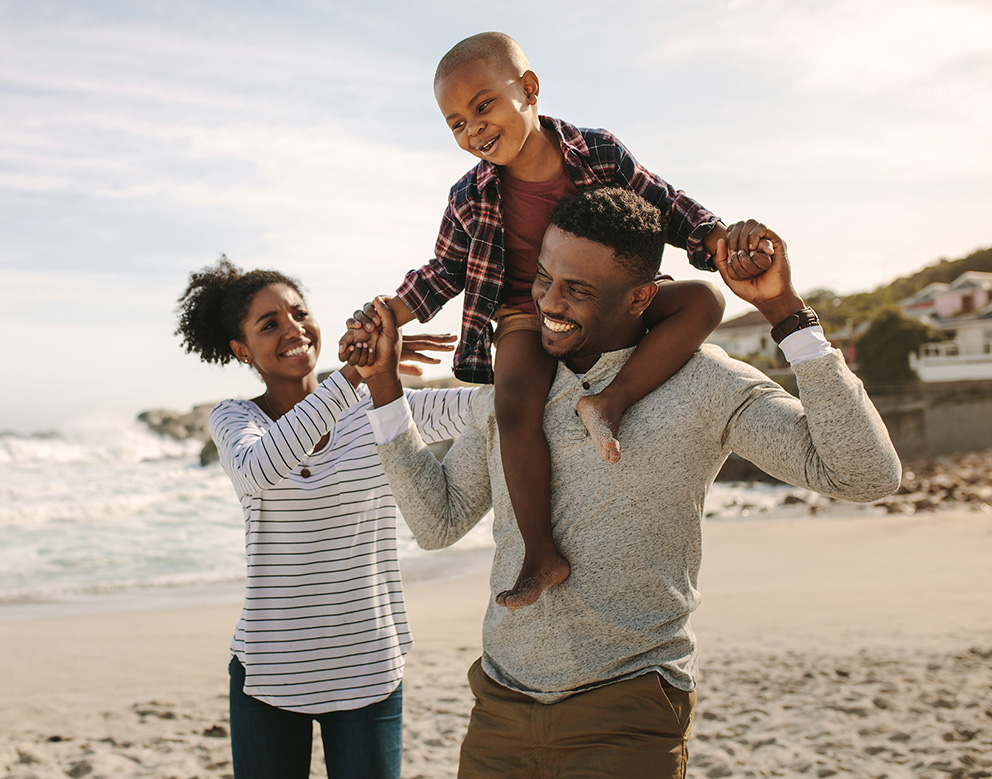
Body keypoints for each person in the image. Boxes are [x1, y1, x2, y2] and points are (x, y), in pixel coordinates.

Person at [353, 187, 902, 778]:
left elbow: (864, 474)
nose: (548, 303)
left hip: (629, 710)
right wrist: (384, 386)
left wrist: (786, 314)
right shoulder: (514, 390)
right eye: (543, 278)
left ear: (642, 296)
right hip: (501, 706)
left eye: (579, 290)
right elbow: (437, 523)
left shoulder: (703, 384)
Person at [340, 31, 774, 610]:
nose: (473, 131)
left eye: (483, 106)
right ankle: (541, 554)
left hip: (608, 300)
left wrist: (719, 239)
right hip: (525, 310)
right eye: (455, 124)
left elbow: (667, 204)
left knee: (703, 303)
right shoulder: (469, 195)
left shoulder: (597, 152)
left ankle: (609, 403)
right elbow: (443, 270)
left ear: (528, 88)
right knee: (513, 403)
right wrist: (386, 313)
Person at [174, 258, 475, 779]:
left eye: (298, 313)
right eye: (270, 325)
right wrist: (354, 377)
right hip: (269, 672)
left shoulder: (378, 406)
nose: (293, 329)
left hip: (369, 668)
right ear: (241, 350)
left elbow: (485, 409)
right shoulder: (234, 418)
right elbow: (261, 468)